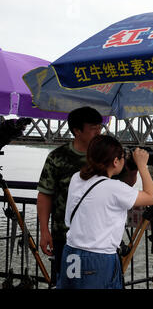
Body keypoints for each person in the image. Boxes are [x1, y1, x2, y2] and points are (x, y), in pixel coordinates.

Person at [56, 135, 153, 289]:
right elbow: (152, 197)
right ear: (115, 162)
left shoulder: (77, 178)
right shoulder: (114, 188)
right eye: (122, 158)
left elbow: (117, 189)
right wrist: (142, 165)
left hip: (71, 253)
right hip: (97, 259)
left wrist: (132, 169)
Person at [36, 106, 103, 283]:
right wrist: (44, 231)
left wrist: (134, 170)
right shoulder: (57, 157)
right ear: (77, 131)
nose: (99, 132)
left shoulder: (105, 156)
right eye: (93, 128)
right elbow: (45, 195)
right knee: (68, 282)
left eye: (100, 127)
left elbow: (124, 186)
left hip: (100, 237)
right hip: (66, 237)